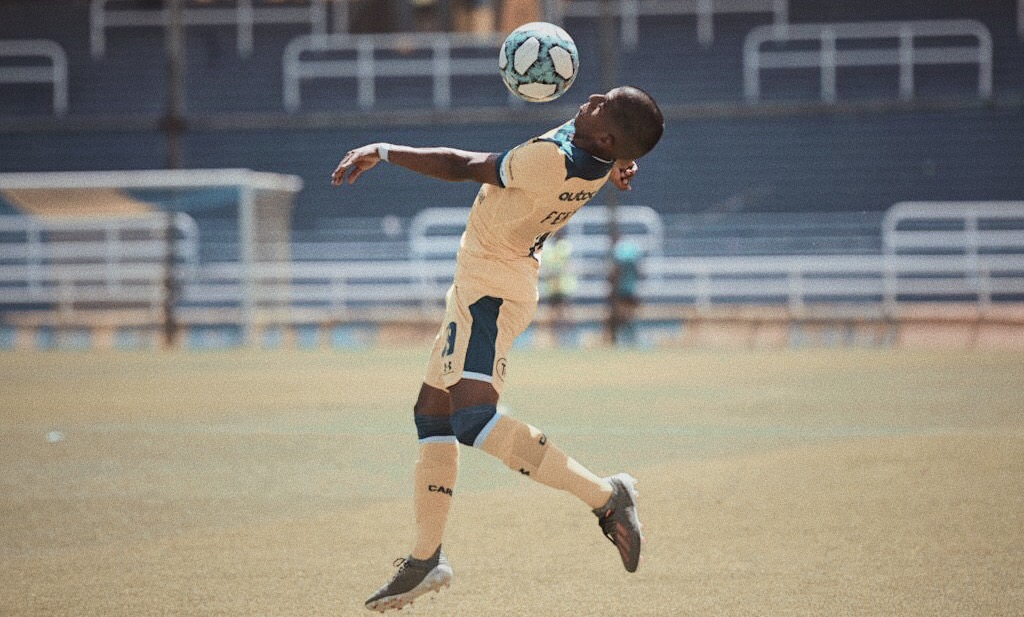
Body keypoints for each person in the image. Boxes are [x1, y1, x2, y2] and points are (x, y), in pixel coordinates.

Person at [331, 86, 664, 612]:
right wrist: (622, 159)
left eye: (603, 103)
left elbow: (462, 165)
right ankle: (425, 558)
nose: (593, 95)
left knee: (472, 420)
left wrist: (385, 151)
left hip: (490, 292)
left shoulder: (549, 160)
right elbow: (613, 144)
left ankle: (606, 496)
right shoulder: (594, 152)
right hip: (481, 285)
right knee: (433, 414)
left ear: (603, 134)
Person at [539, 230, 577, 346]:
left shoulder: (565, 245)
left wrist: (554, 271)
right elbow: (546, 265)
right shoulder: (548, 246)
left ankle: (571, 339)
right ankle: (555, 340)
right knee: (553, 313)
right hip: (552, 287)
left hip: (564, 285)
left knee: (566, 312)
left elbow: (564, 265)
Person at [610, 237, 643, 346]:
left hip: (622, 290)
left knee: (623, 315)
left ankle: (624, 338)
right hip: (629, 290)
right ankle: (629, 338)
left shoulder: (620, 265)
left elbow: (615, 275)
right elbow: (640, 274)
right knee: (628, 315)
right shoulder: (633, 263)